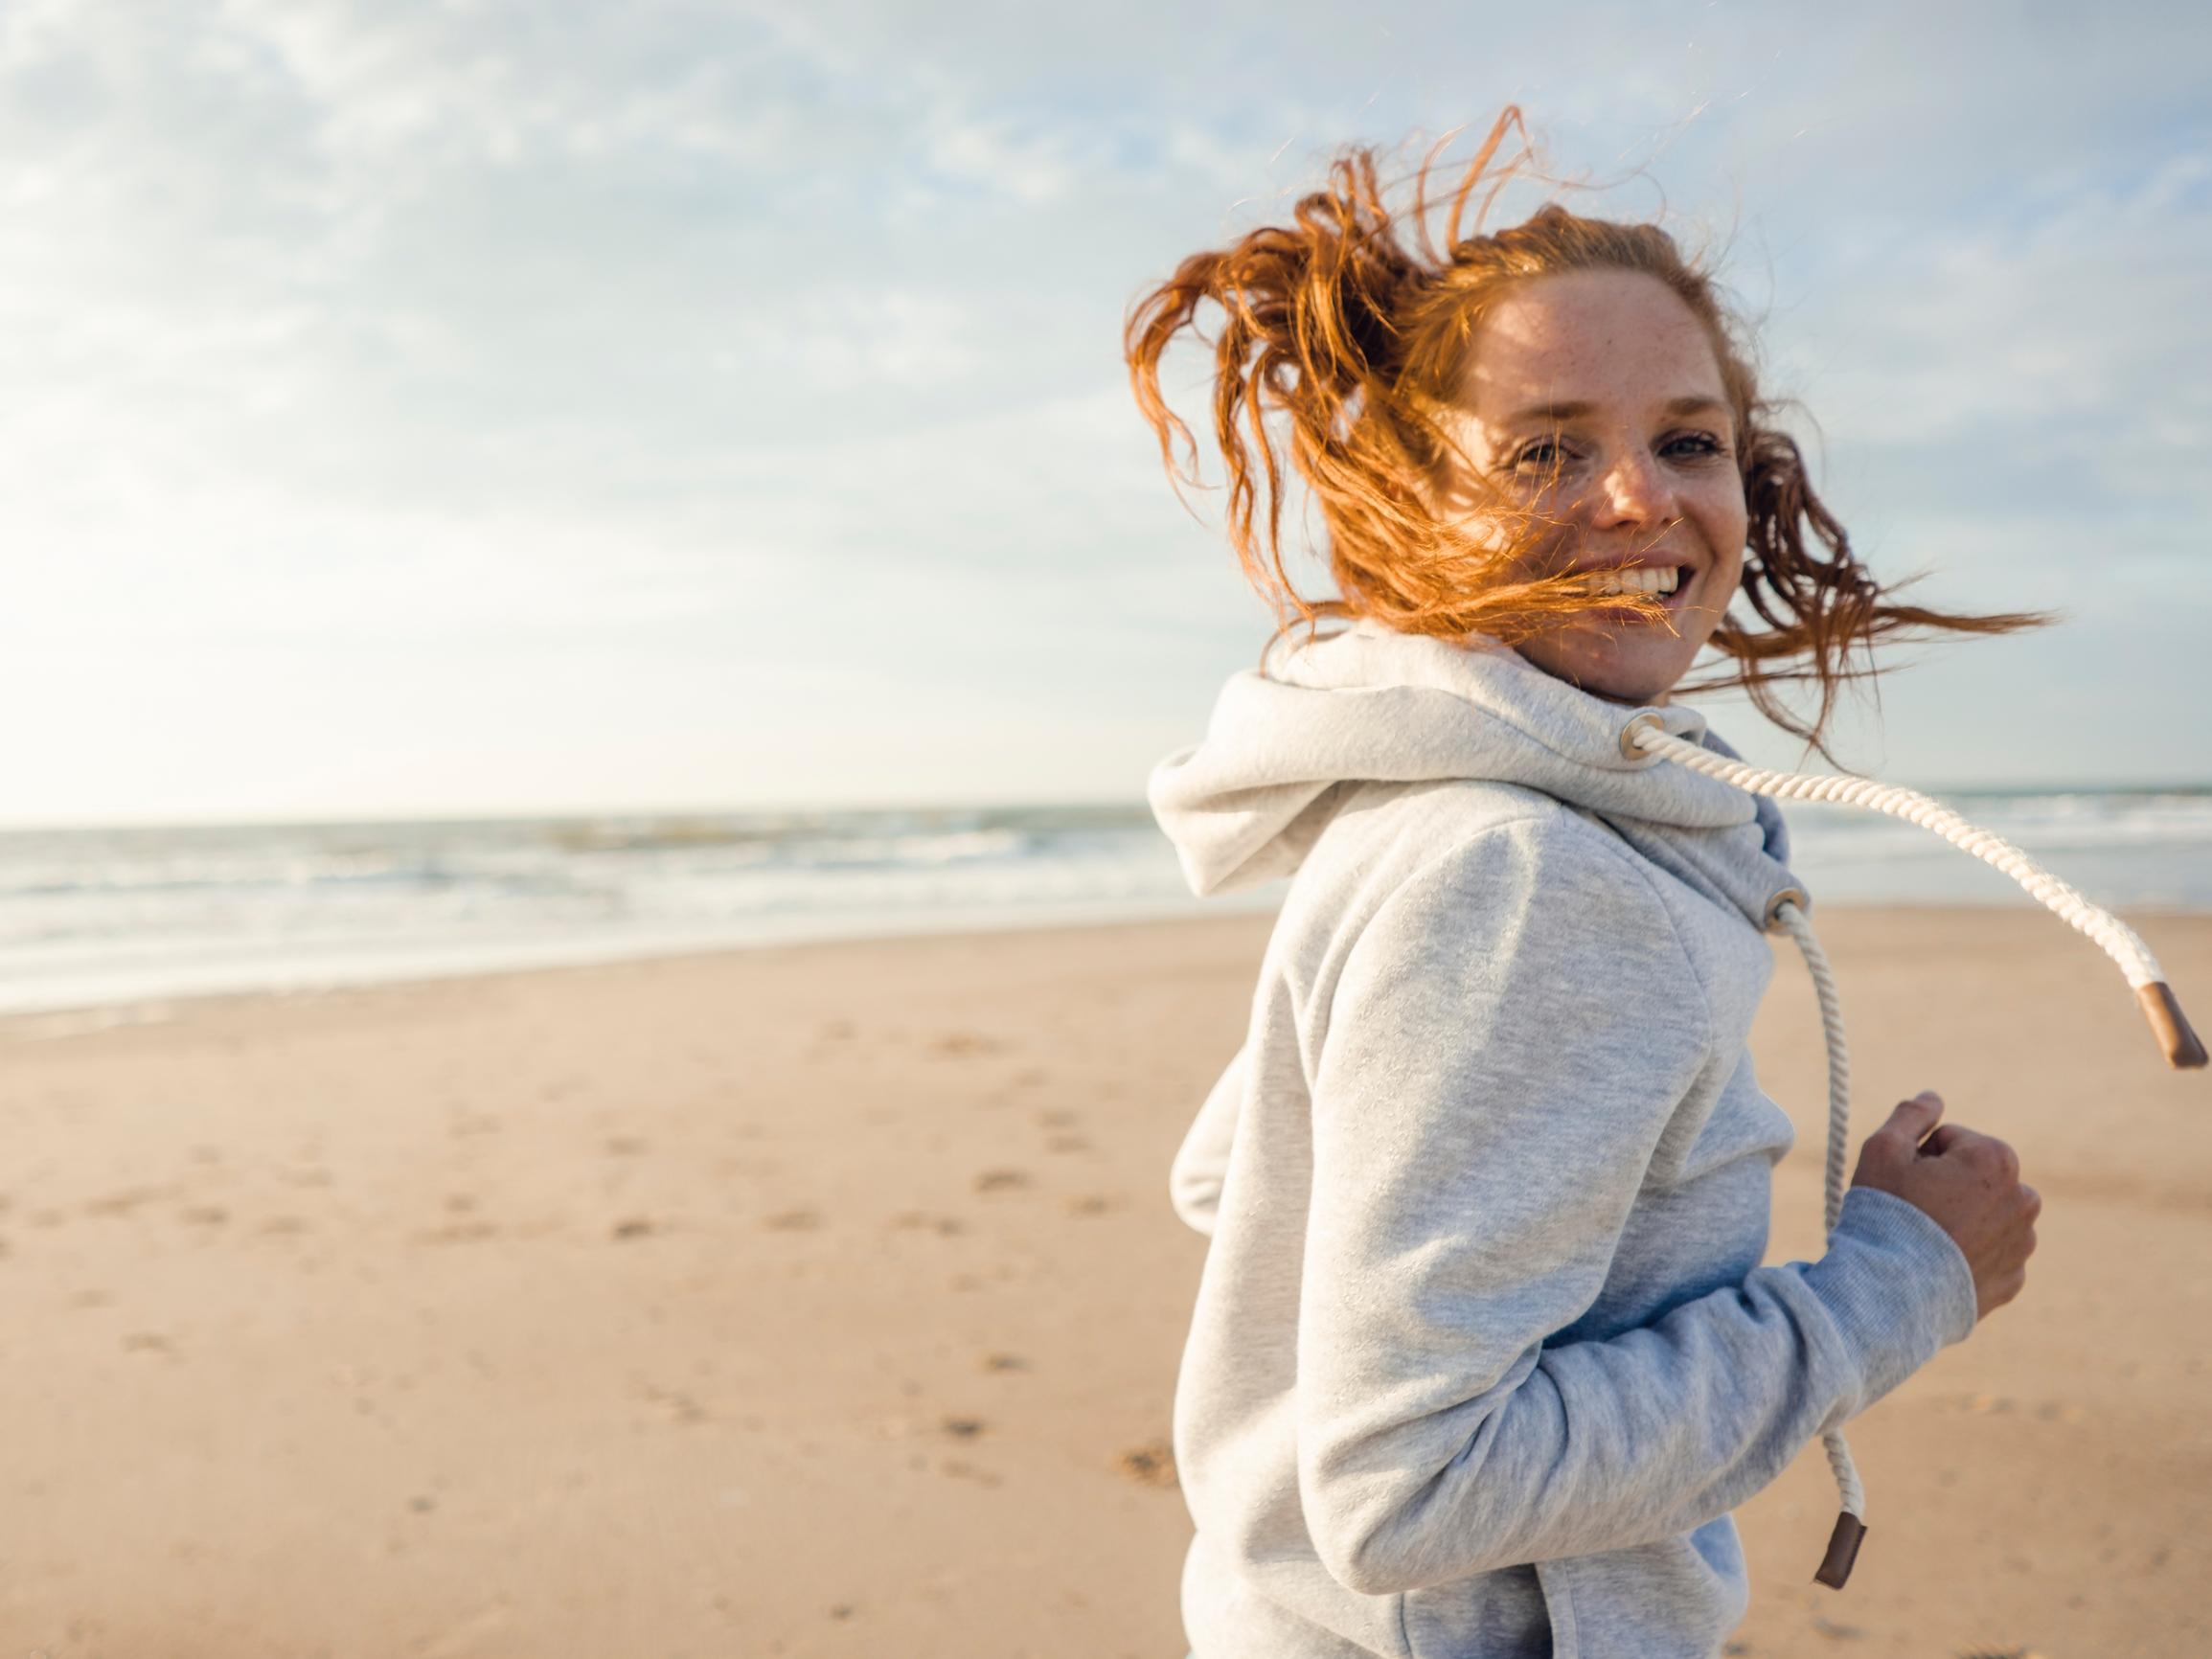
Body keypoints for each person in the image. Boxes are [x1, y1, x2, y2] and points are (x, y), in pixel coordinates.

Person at [1127, 108, 2047, 1659]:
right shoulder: (1520, 869)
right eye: (1545, 449)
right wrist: (1898, 1283)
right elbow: (1410, 1491)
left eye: (1686, 441)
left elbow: (1240, 1180)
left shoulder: (1434, 809)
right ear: (1418, 504)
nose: (1637, 498)